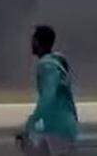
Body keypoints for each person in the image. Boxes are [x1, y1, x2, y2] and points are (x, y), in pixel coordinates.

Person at [17, 25, 79, 156]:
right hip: (56, 125)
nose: (31, 43)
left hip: (57, 127)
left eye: (33, 39)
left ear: (38, 42)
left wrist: (31, 123)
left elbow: (48, 96)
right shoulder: (54, 62)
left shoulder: (47, 65)